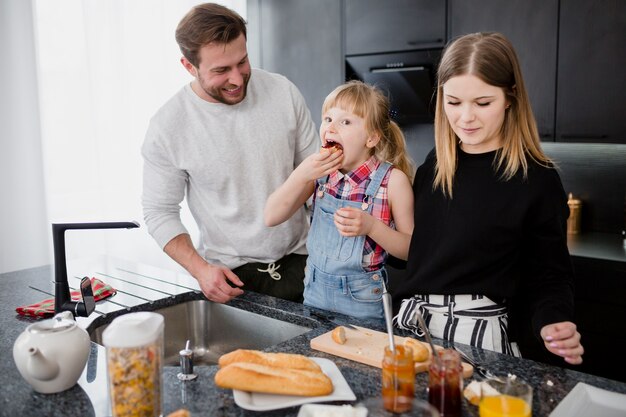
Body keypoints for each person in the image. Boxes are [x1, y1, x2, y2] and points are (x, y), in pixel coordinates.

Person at [393, 32, 584, 365]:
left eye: (483, 103)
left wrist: (553, 320)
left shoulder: (535, 179)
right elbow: (415, 254)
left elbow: (550, 275)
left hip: (479, 342)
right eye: (453, 102)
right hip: (413, 333)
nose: (466, 117)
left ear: (510, 98)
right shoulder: (434, 166)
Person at [141, 3, 318, 304]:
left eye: (243, 61)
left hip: (305, 264)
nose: (237, 79)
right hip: (230, 279)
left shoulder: (282, 92)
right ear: (188, 66)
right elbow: (159, 212)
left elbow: (318, 177)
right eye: (221, 70)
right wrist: (200, 270)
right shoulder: (168, 126)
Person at [265, 80, 415, 320]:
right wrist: (302, 173)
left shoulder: (392, 181)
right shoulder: (319, 172)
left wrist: (372, 227)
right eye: (328, 119)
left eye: (345, 122)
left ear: (372, 138)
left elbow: (411, 249)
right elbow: (271, 216)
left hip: (363, 299)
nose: (332, 128)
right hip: (314, 292)